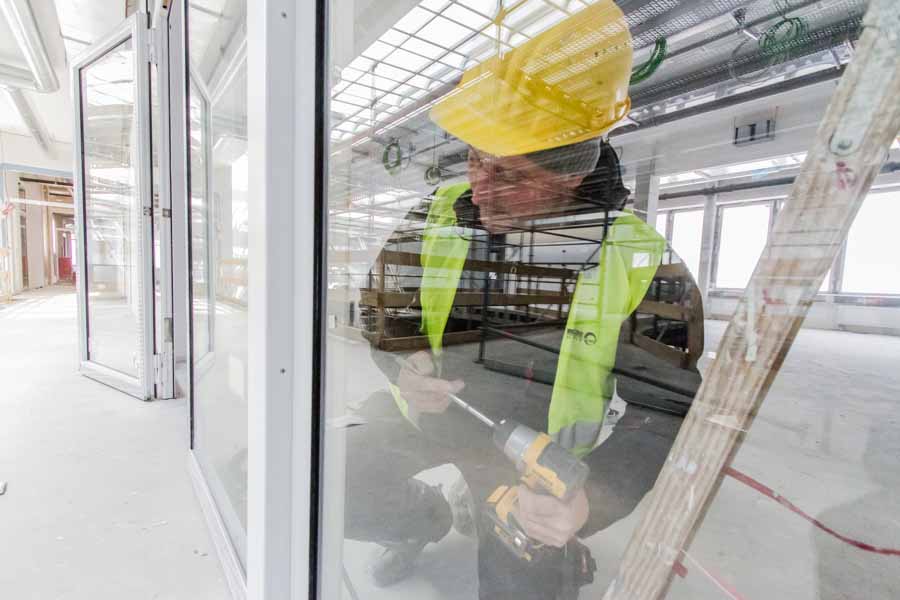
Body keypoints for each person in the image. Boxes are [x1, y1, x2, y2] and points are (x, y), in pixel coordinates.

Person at [343, 2, 698, 598]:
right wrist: (401, 361)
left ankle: (554, 550)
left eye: (510, 175)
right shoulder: (438, 213)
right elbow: (382, 303)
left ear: (571, 175)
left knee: (527, 586)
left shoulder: (642, 262)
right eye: (475, 160)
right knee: (319, 479)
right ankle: (423, 518)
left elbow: (667, 408)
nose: (480, 190)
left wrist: (588, 501)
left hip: (532, 459)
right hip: (426, 419)